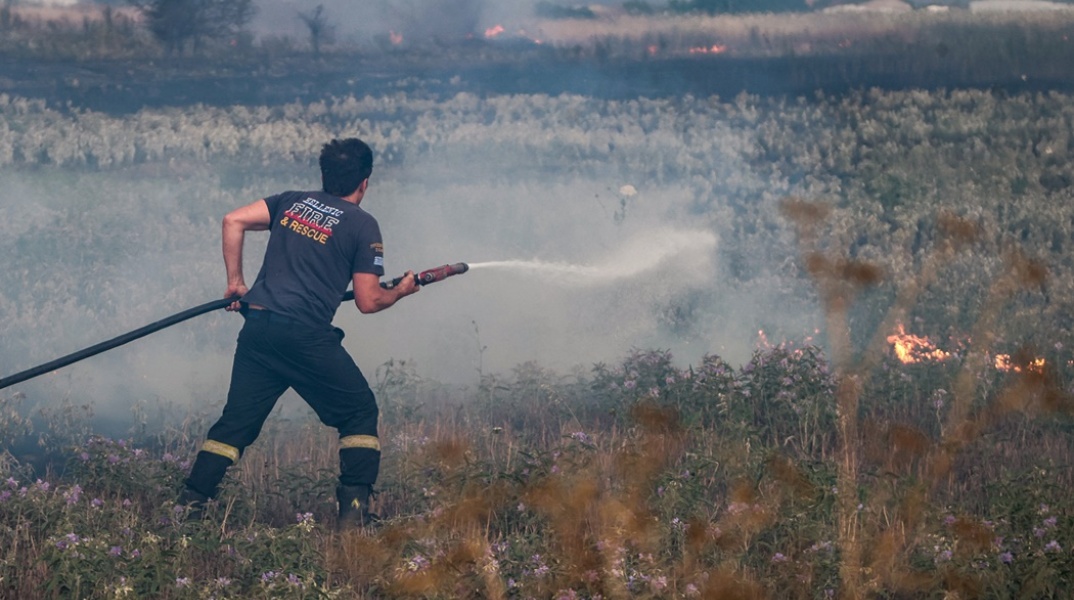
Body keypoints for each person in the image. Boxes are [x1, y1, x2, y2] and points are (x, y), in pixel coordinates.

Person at [178, 137, 419, 528]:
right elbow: (368, 301)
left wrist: (236, 283)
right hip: (304, 336)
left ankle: (187, 510)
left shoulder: (292, 202)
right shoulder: (362, 224)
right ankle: (354, 522)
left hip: (258, 331)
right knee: (359, 412)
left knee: (235, 424)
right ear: (365, 182)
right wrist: (401, 291)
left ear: (324, 175)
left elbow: (233, 220)